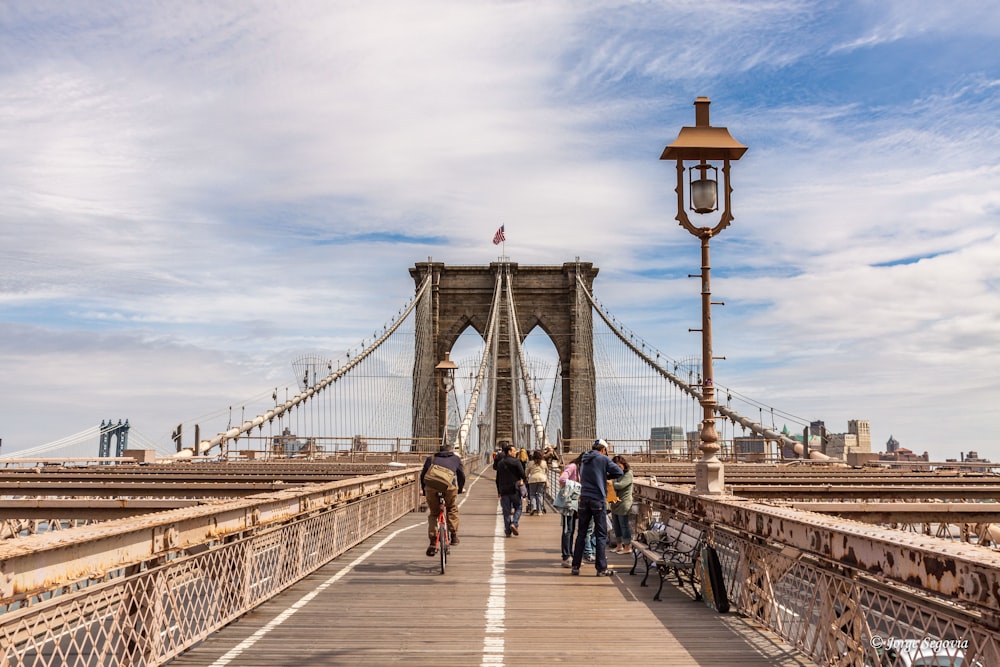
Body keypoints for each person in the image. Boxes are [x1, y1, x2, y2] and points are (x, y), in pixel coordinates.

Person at [570, 439, 623, 577]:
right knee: (601, 534)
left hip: (584, 499)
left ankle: (575, 566)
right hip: (597, 499)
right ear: (603, 450)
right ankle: (601, 568)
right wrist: (604, 474)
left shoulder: (584, 459)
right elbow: (619, 472)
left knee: (581, 533)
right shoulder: (602, 459)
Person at [420, 442, 466, 557]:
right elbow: (461, 475)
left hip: (432, 488)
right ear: (450, 451)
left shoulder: (431, 458)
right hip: (449, 488)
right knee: (451, 508)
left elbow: (423, 476)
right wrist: (460, 488)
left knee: (434, 514)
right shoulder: (455, 459)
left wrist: (425, 490)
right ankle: (454, 535)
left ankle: (432, 541)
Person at [494, 443, 527, 537]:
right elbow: (523, 475)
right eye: (514, 450)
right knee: (519, 507)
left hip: (504, 490)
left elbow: (497, 479)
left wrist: (499, 491)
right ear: (509, 451)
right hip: (514, 490)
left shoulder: (500, 463)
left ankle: (508, 531)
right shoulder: (516, 462)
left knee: (506, 511)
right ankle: (514, 523)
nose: (515, 452)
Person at [609, 455, 634, 554]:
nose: (618, 469)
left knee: (624, 525)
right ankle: (619, 545)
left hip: (624, 502)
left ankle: (627, 546)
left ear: (624, 465)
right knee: (616, 526)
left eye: (619, 466)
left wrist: (609, 483)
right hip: (615, 502)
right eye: (615, 467)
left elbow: (621, 485)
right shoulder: (614, 474)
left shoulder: (628, 473)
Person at [525, 450, 548, 515]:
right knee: (540, 494)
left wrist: (526, 476)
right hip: (542, 479)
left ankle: (533, 507)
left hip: (533, 479)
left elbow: (527, 471)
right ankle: (540, 511)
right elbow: (546, 471)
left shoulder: (530, 463)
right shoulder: (544, 462)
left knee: (532, 494)